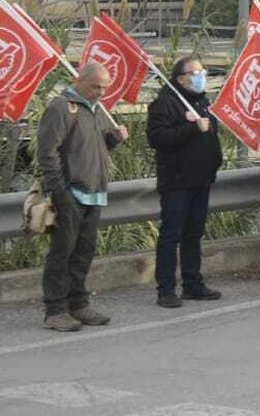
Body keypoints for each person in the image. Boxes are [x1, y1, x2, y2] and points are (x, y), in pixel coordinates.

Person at [37, 62, 127, 331]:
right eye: (96, 86)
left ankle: (79, 304)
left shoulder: (95, 109)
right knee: (62, 253)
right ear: (80, 81)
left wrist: (114, 138)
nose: (101, 92)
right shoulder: (61, 107)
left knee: (83, 252)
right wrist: (60, 192)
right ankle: (55, 310)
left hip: (94, 192)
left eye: (104, 87)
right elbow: (47, 154)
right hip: (71, 192)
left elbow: (95, 146)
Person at [148, 55, 224, 308]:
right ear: (180, 78)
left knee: (193, 234)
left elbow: (210, 132)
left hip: (200, 179)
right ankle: (166, 289)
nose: (200, 76)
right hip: (177, 180)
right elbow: (158, 137)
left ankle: (193, 283)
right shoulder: (166, 103)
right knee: (172, 235)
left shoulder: (201, 101)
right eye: (194, 73)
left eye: (201, 72)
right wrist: (191, 128)